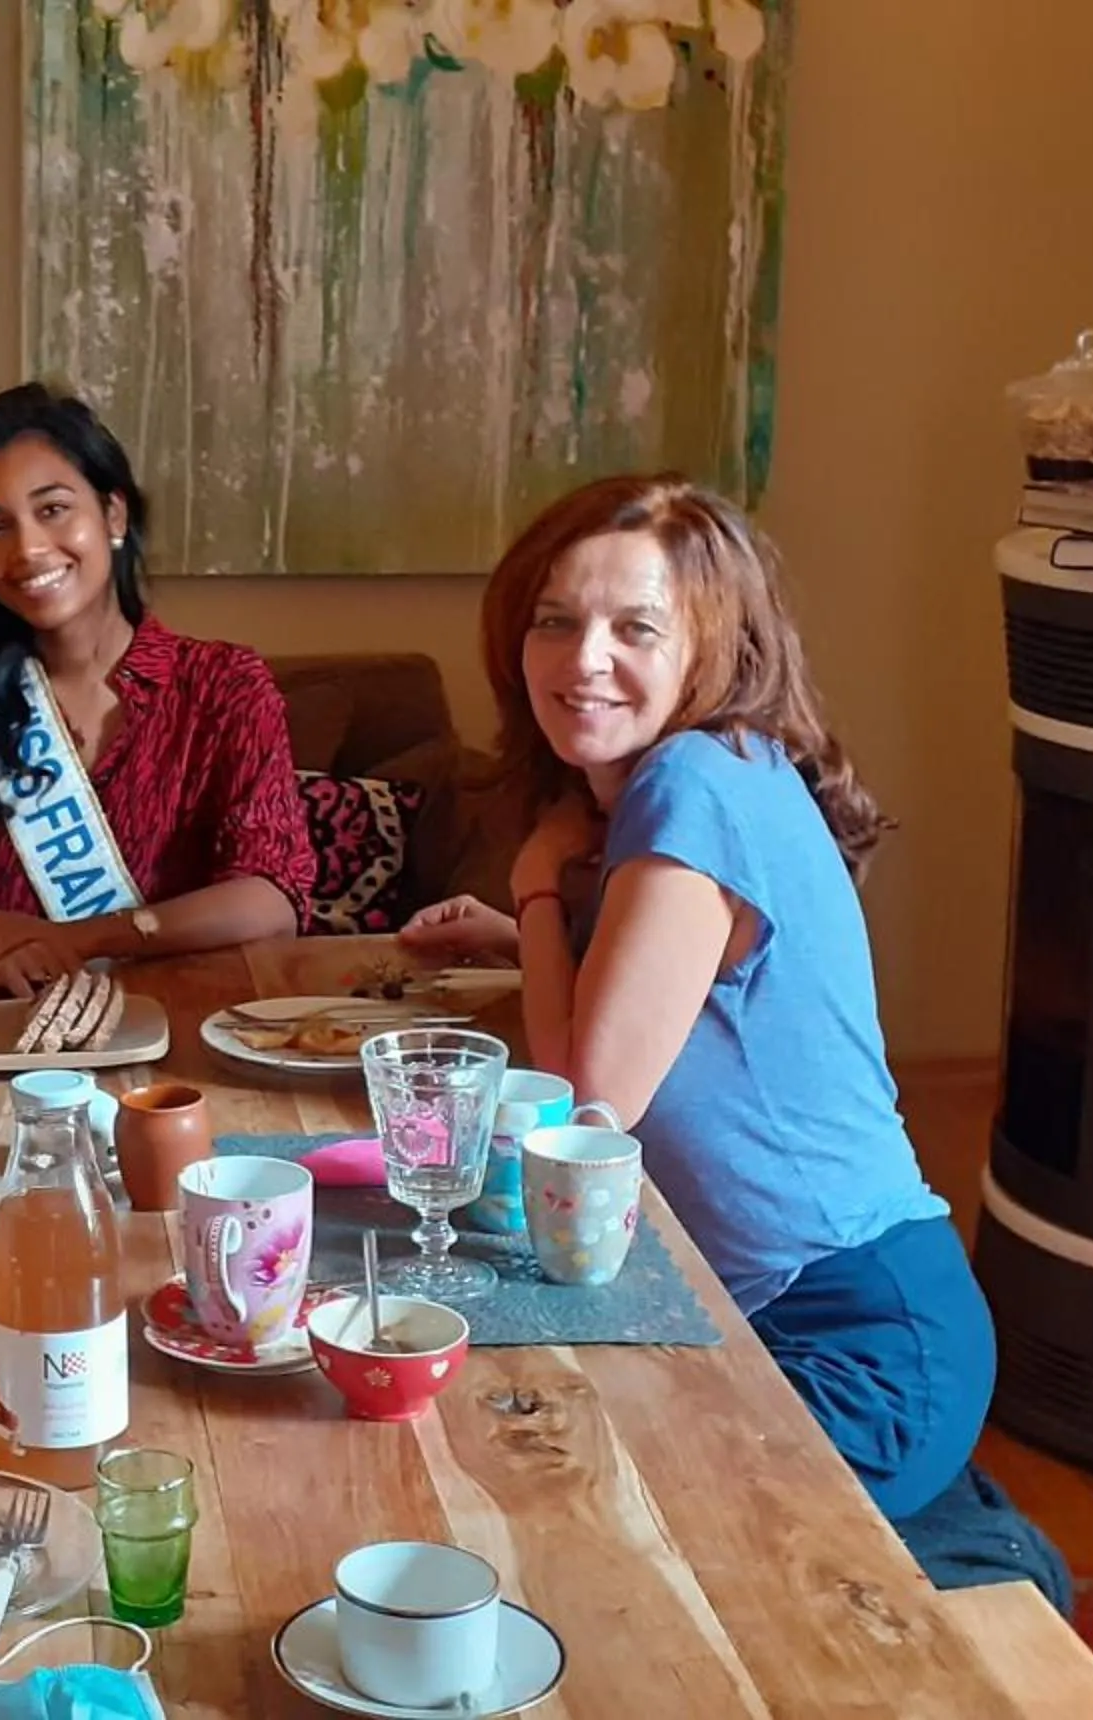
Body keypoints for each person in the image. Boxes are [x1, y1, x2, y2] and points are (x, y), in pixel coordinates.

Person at [394, 474, 990, 1526]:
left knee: (546, 1502)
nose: (585, 659)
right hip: (791, 1307)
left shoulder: (692, 787)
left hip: (850, 1337)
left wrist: (535, 888)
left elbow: (582, 1109)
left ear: (713, 645)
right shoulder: (723, 764)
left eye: (636, 627)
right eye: (556, 621)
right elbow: (691, 991)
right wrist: (535, 935)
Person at [0, 383, 315, 996]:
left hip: (180, 1028)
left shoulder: (222, 688)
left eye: (53, 509)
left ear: (113, 515)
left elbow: (272, 893)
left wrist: (81, 938)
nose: (28, 549)